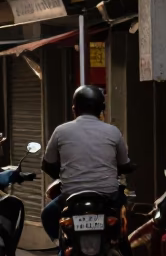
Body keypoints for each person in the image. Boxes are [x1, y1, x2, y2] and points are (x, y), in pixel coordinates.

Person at [41, 85, 133, 246]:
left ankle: (61, 246)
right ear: (101, 109)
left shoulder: (61, 131)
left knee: (48, 214)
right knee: (125, 209)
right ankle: (120, 244)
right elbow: (125, 163)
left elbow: (47, 163)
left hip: (71, 193)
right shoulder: (113, 132)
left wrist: (63, 174)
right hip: (108, 194)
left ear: (74, 109)